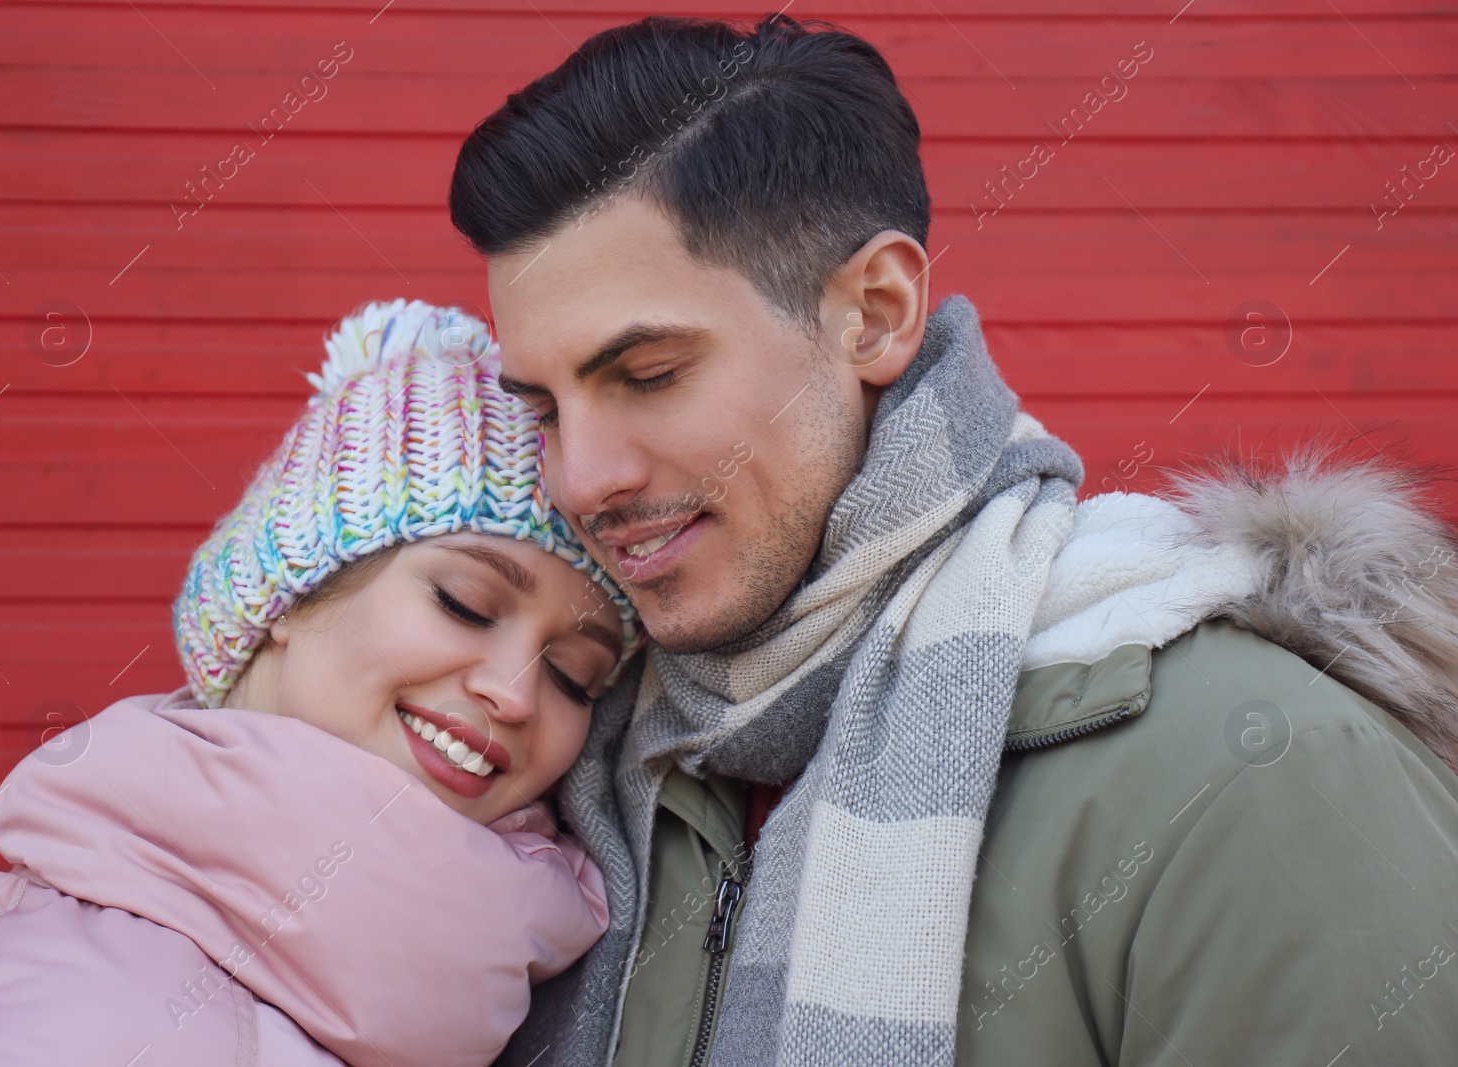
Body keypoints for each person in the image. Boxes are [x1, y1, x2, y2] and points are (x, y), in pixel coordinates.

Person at [447, 14, 1458, 1067]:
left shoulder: (1255, 775)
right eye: (544, 409)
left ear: (876, 314)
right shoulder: (566, 789)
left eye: (648, 375)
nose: (581, 477)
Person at [0, 300, 642, 1067]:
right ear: (289, 596)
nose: (516, 692)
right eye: (464, 603)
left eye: (576, 677)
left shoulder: (532, 981)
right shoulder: (60, 1016)